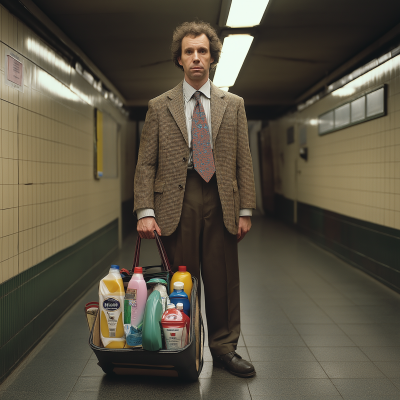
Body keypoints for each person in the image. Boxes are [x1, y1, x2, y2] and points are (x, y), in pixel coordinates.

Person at [134, 21, 256, 378]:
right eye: (189, 51)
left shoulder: (233, 105)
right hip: (176, 200)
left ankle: (224, 349)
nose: (196, 57)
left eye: (203, 51)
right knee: (180, 281)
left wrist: (246, 208)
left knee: (222, 280)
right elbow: (146, 162)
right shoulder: (160, 106)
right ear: (179, 59)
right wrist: (145, 210)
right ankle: (181, 345)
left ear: (213, 58)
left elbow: (243, 159)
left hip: (220, 198)